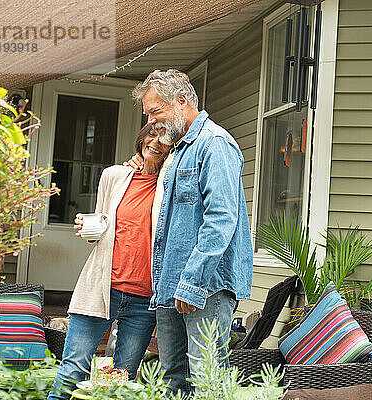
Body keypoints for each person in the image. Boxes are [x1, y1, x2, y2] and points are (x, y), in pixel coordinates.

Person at [129, 69, 253, 394]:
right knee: (173, 379)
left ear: (182, 101)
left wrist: (193, 282)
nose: (151, 121)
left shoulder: (215, 144)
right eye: (148, 115)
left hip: (204, 288)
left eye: (156, 112)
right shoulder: (178, 150)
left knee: (205, 379)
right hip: (170, 284)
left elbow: (221, 219)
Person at [48, 125, 170, 400]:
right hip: (103, 287)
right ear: (141, 138)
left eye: (164, 139)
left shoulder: (169, 182)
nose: (156, 142)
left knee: (123, 380)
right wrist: (87, 228)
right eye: (151, 134)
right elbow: (102, 223)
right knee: (73, 369)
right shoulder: (114, 176)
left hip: (144, 298)